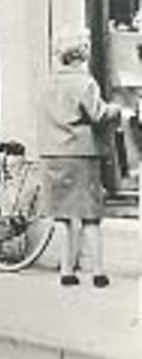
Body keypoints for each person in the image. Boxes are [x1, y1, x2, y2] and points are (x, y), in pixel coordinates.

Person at [39, 36, 127, 288]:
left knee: (63, 217)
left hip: (53, 154)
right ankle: (98, 272)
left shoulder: (47, 83)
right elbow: (98, 114)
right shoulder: (85, 83)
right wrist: (116, 109)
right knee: (90, 216)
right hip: (81, 154)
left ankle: (67, 272)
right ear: (81, 56)